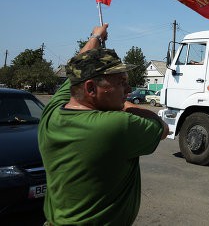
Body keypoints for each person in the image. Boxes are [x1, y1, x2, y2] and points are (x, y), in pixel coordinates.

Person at [38, 23, 169, 225]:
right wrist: (125, 105)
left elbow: (76, 69)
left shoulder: (52, 113)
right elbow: (162, 128)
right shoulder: (114, 125)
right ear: (90, 88)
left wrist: (96, 37)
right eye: (120, 82)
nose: (129, 89)